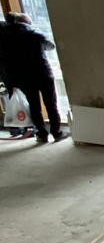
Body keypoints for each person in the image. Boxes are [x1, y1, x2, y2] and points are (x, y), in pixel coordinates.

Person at [0, 12, 65, 144]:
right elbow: (51, 46)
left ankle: (42, 134)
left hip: (24, 77)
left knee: (34, 106)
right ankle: (56, 132)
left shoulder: (4, 37)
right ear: (26, 23)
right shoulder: (34, 33)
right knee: (51, 104)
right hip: (43, 73)